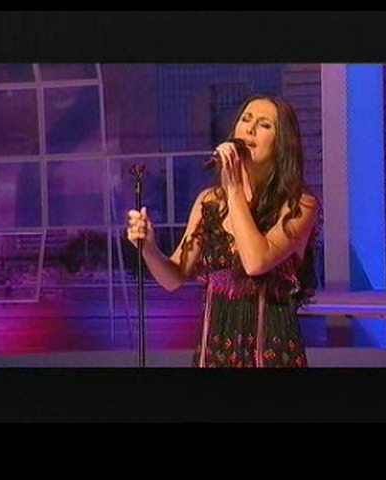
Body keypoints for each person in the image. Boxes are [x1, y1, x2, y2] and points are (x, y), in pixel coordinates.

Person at [127, 94, 319, 368]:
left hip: (271, 350)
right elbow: (173, 278)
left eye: (264, 125)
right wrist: (148, 247)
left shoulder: (299, 204)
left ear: (282, 144)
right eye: (246, 120)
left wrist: (234, 188)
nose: (250, 129)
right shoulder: (209, 202)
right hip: (215, 350)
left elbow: (256, 262)